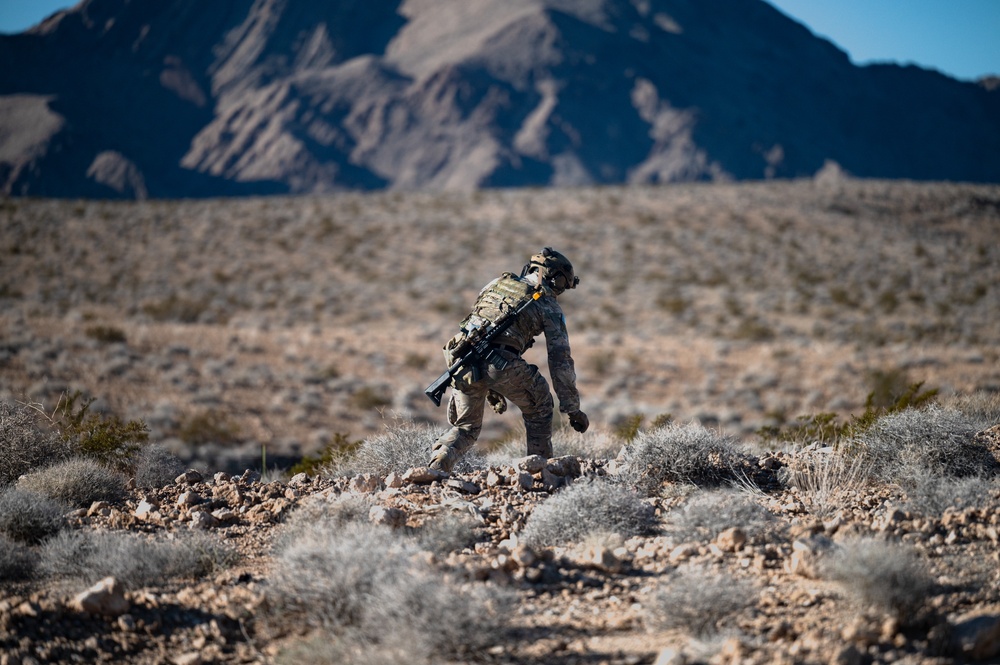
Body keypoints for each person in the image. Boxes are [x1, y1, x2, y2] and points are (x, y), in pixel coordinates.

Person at [428, 247, 589, 472]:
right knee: (541, 407)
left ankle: (436, 466)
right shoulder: (549, 305)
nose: (560, 293)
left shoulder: (495, 284)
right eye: (563, 286)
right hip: (499, 364)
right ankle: (538, 472)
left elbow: (480, 323)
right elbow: (560, 361)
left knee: (465, 428)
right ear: (555, 279)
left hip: (462, 361)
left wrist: (490, 385)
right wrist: (572, 409)